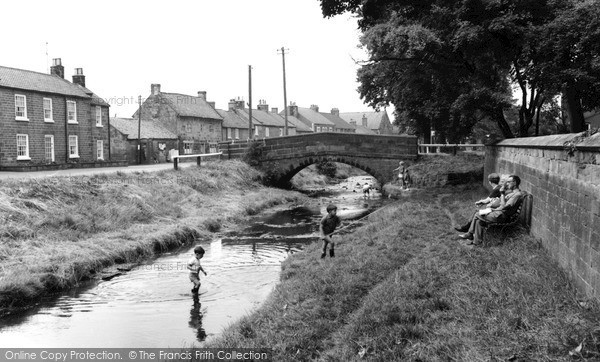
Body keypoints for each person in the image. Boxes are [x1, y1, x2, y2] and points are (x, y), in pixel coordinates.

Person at [458, 175, 524, 246]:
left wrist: (502, 194)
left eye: (508, 182)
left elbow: (505, 207)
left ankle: (470, 234)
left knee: (477, 214)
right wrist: (492, 206)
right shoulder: (511, 193)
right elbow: (500, 204)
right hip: (497, 213)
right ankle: (477, 242)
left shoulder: (517, 195)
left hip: (501, 216)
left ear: (514, 183)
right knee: (478, 220)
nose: (506, 184)